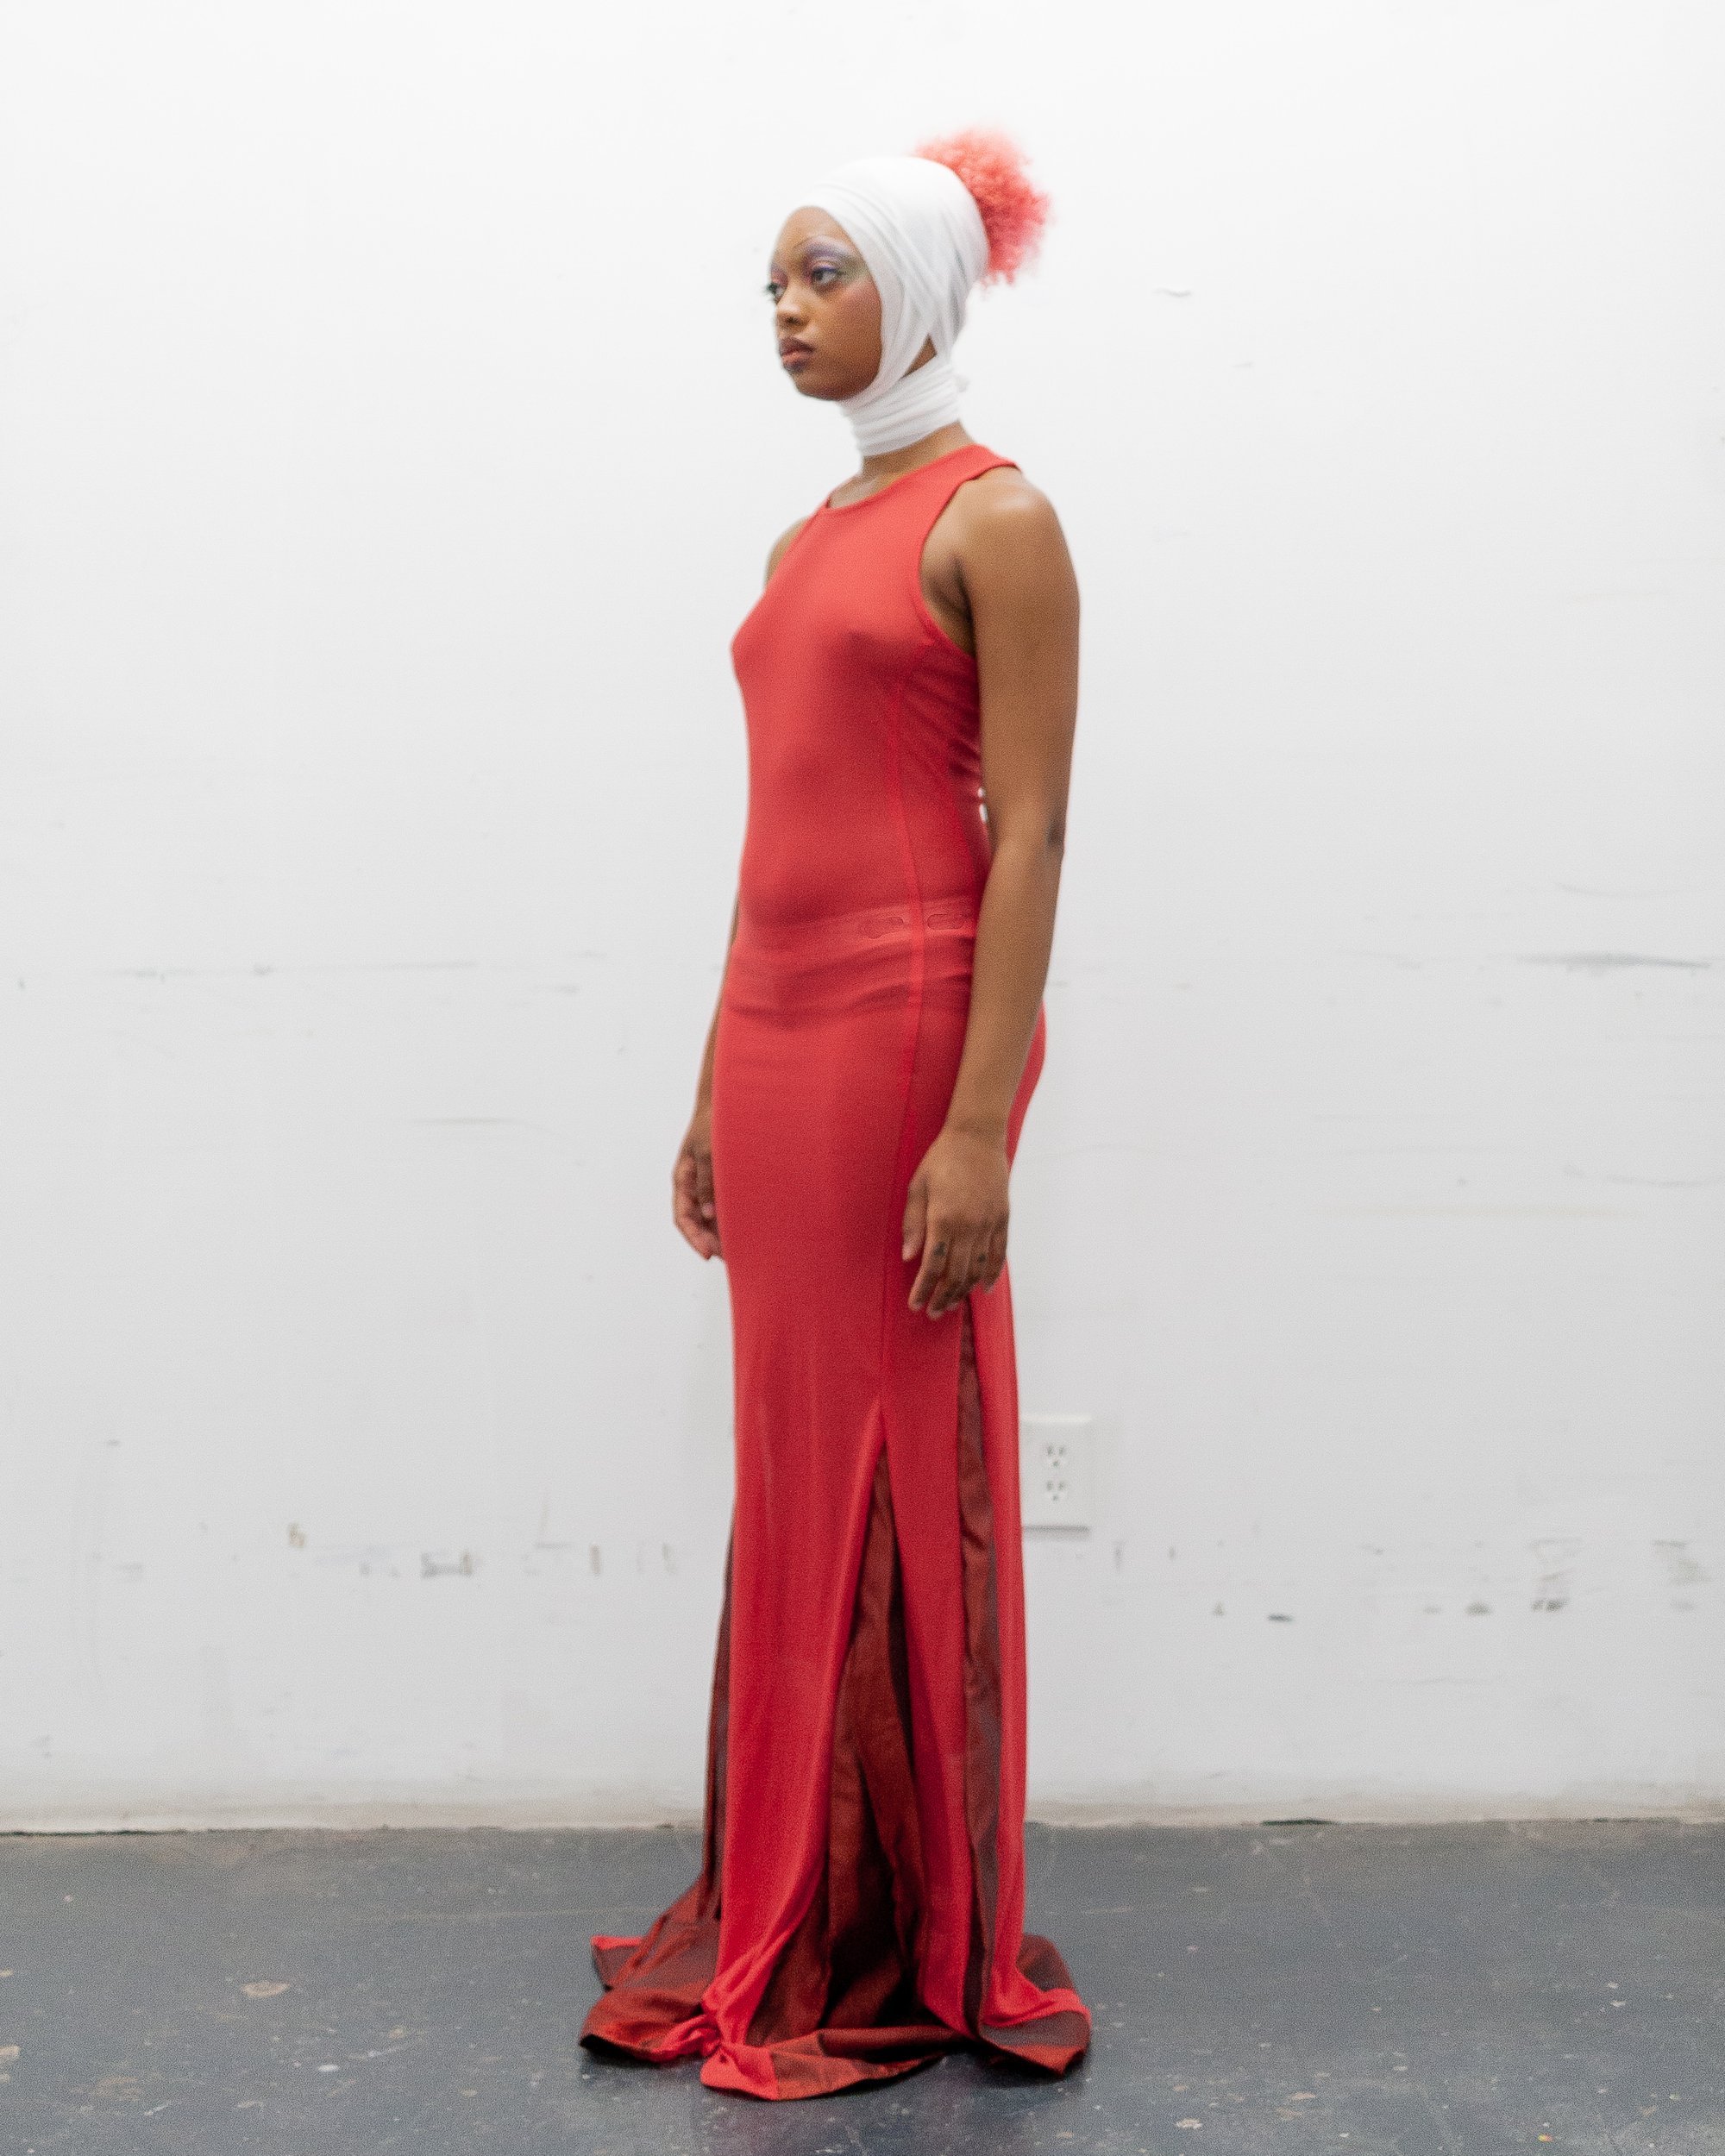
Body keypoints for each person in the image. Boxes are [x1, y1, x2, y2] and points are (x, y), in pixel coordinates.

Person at [580, 127, 1090, 2102]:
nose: (786, 313)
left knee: (894, 1443)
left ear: (922, 288)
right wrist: (710, 1080)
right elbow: (766, 828)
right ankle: (788, 1868)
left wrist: (979, 1129)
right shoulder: (808, 538)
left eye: (824, 273)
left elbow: (1030, 830)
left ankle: (894, 1912)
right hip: (783, 1037)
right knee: (794, 1459)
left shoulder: (997, 516)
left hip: (908, 1027)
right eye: (773, 285)